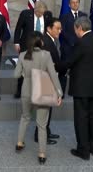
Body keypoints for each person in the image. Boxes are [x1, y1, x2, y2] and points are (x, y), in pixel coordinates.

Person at [60, 17, 93, 161]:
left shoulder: (80, 43)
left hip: (81, 87)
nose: (75, 32)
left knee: (81, 119)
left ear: (79, 28)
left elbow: (70, 61)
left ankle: (83, 150)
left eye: (75, 29)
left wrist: (56, 67)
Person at [14, 31, 63, 165]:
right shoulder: (46, 55)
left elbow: (16, 75)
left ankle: (19, 142)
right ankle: (42, 154)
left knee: (25, 117)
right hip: (42, 92)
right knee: (42, 125)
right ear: (40, 42)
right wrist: (59, 93)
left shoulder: (23, 55)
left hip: (26, 92)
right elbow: (53, 76)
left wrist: (25, 72)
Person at [34, 17, 66, 145]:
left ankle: (46, 131)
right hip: (46, 79)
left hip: (49, 78)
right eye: (57, 28)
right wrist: (66, 67)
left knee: (48, 109)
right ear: (49, 28)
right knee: (44, 110)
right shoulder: (46, 42)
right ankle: (40, 135)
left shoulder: (50, 40)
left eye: (60, 28)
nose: (60, 31)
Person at [13, 1, 53, 99]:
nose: (41, 15)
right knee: (24, 68)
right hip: (27, 45)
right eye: (39, 13)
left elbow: (50, 29)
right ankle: (19, 91)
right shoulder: (25, 14)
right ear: (35, 9)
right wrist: (16, 42)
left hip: (42, 46)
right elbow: (18, 28)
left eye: (42, 13)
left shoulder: (48, 15)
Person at [59, 0, 87, 96]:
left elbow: (86, 30)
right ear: (69, 5)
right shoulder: (64, 17)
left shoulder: (84, 16)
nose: (75, 4)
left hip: (81, 48)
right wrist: (71, 41)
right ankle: (61, 93)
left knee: (79, 71)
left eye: (77, 2)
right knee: (63, 72)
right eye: (73, 2)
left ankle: (77, 91)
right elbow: (62, 31)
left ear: (79, 3)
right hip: (67, 48)